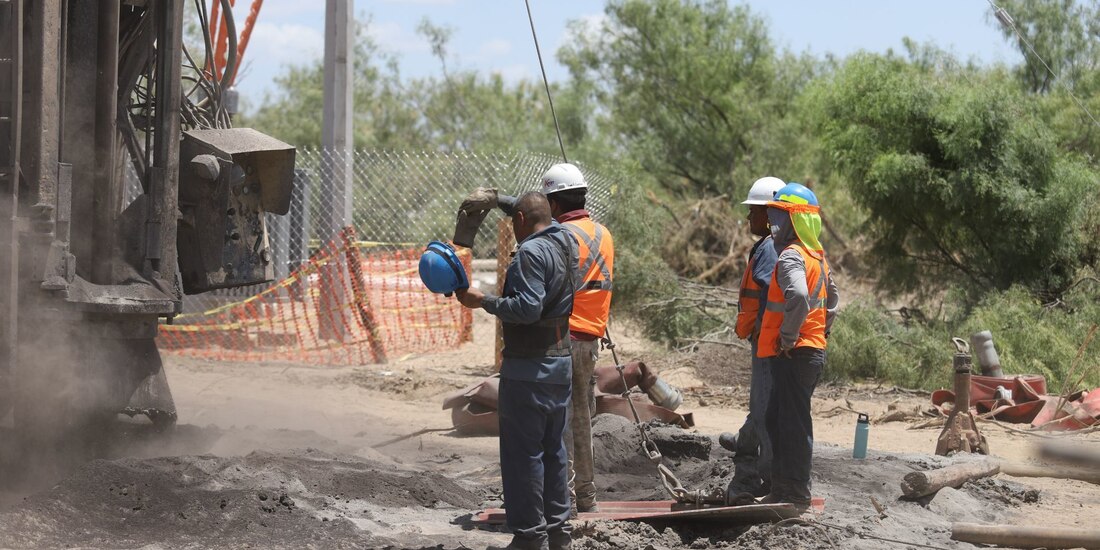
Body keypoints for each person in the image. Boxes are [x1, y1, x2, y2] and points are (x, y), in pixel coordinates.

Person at [454, 191, 576, 550]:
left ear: (521, 221)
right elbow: (531, 211)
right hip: (559, 367)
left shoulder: (530, 254)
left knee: (524, 457)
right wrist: (499, 200)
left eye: (514, 221)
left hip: (529, 372)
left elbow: (527, 308)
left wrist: (484, 301)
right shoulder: (565, 241)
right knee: (554, 452)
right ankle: (558, 534)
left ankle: (529, 538)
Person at [756, 182, 840, 509]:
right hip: (811, 351)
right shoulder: (816, 256)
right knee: (782, 420)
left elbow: (802, 297)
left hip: (795, 352)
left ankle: (794, 493)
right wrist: (822, 332)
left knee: (792, 424)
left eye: (779, 217)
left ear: (795, 221)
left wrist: (789, 338)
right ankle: (784, 489)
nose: (774, 225)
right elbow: (831, 302)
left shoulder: (792, 255)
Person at [540, 163, 614, 515]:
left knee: (561, 420)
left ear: (554, 204)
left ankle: (564, 496)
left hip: (565, 338)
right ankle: (585, 495)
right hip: (590, 339)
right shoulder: (603, 233)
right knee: (581, 417)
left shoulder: (561, 237)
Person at [723, 176, 785, 505]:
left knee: (764, 409)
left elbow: (773, 297)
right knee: (762, 406)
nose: (749, 218)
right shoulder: (772, 246)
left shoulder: (772, 250)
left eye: (754, 212)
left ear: (771, 213)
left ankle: (769, 477)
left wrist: (766, 333)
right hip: (768, 340)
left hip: (768, 343)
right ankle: (745, 446)